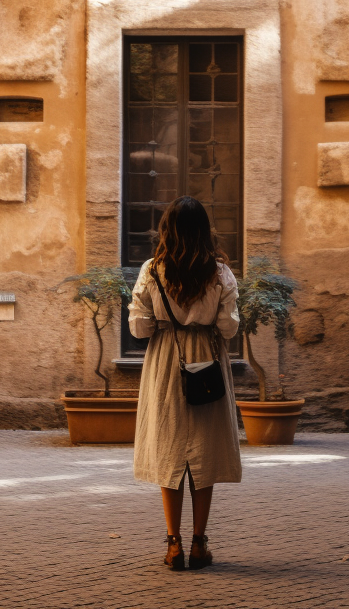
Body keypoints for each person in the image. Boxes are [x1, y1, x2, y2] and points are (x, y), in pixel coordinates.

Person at [128, 196, 242, 570]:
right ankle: (199, 543)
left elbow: (139, 327)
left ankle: (173, 544)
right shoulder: (220, 273)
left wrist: (166, 320)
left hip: (165, 360)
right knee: (205, 452)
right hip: (207, 360)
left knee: (170, 449)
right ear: (203, 230)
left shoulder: (151, 270)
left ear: (168, 231)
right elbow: (228, 327)